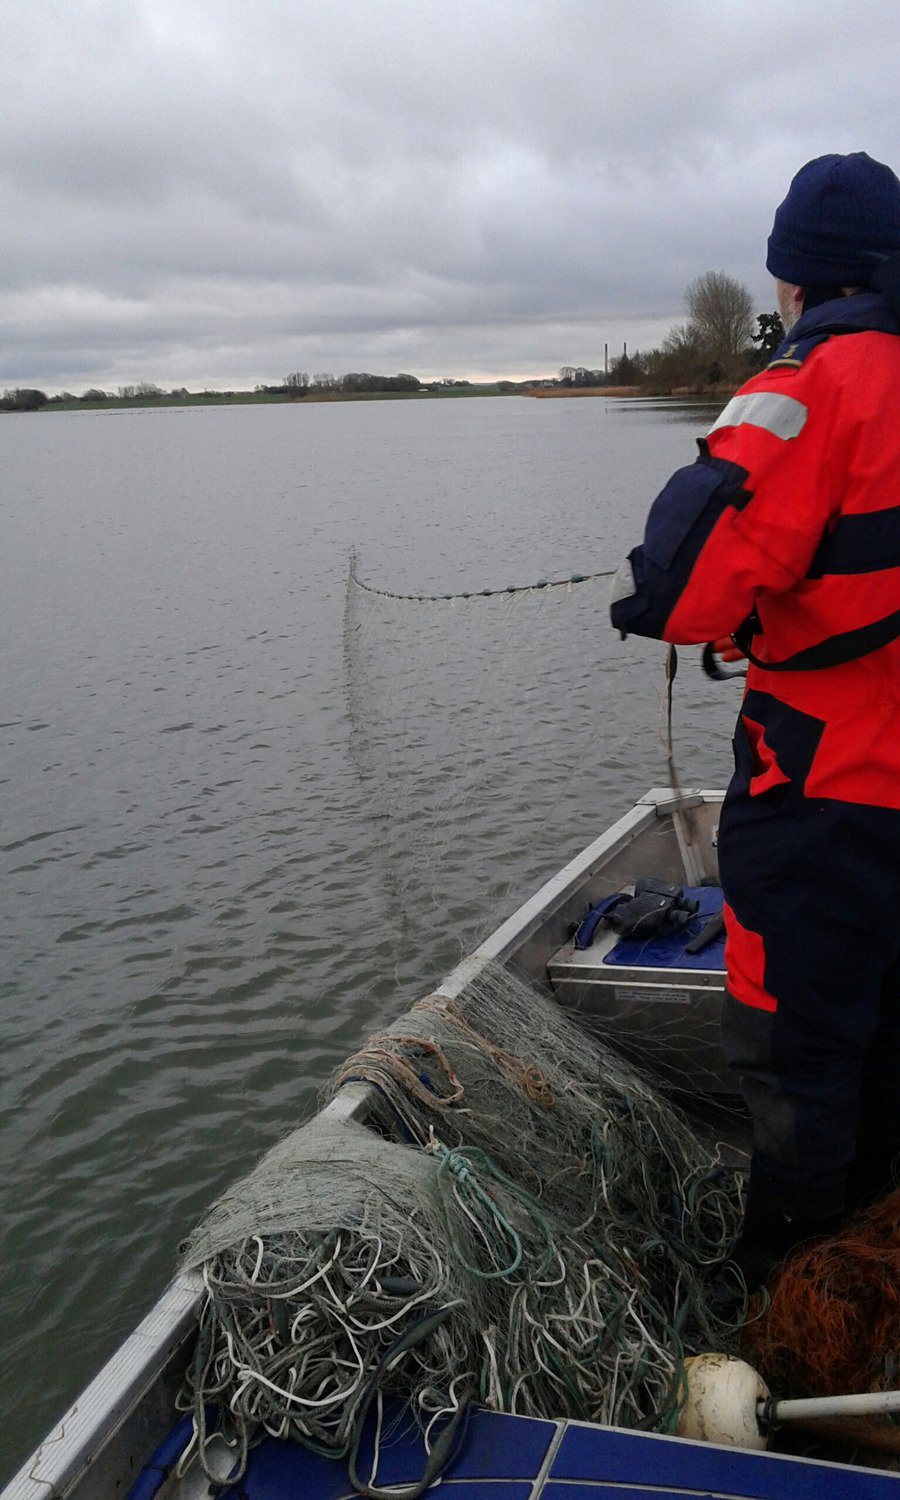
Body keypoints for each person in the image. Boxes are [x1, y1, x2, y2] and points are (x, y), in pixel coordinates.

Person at [610, 152, 900, 1290]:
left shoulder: (809, 382)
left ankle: (787, 1282)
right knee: (888, 1035)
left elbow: (676, 587)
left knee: (799, 1048)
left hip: (826, 793)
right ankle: (878, 1245)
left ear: (798, 280)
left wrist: (694, 605)